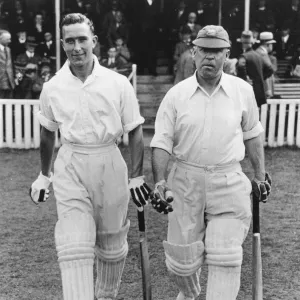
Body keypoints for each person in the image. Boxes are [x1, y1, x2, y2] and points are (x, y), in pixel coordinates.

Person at [29, 13, 151, 300]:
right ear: (62, 44)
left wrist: (137, 176)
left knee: (112, 248)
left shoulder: (117, 83)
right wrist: (44, 175)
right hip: (71, 163)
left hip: (109, 162)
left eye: (82, 39)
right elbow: (48, 132)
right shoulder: (53, 87)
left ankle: (105, 295)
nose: (76, 47)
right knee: (74, 246)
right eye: (69, 41)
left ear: (94, 41)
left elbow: (134, 130)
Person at [150, 25, 271, 300]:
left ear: (227, 54)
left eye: (217, 51)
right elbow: (161, 142)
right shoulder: (176, 95)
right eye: (204, 50)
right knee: (181, 264)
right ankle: (189, 294)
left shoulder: (242, 91)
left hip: (228, 179)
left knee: (225, 255)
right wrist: (159, 181)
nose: (210, 57)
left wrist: (261, 176)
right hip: (185, 180)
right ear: (194, 52)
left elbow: (252, 134)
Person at [236, 30, 274, 108]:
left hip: (247, 94)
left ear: (242, 44)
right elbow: (270, 69)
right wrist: (259, 78)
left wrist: (245, 80)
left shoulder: (243, 56)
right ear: (253, 43)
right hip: (258, 95)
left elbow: (240, 66)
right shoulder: (259, 55)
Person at [256, 32, 277, 98]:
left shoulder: (259, 51)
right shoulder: (263, 54)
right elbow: (270, 69)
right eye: (271, 44)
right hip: (265, 88)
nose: (272, 46)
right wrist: (268, 90)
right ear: (267, 44)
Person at [0, 29, 15, 99]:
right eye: (7, 39)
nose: (10, 41)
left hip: (9, 82)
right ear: (1, 38)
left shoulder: (8, 49)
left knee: (8, 104)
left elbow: (10, 65)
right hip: (1, 81)